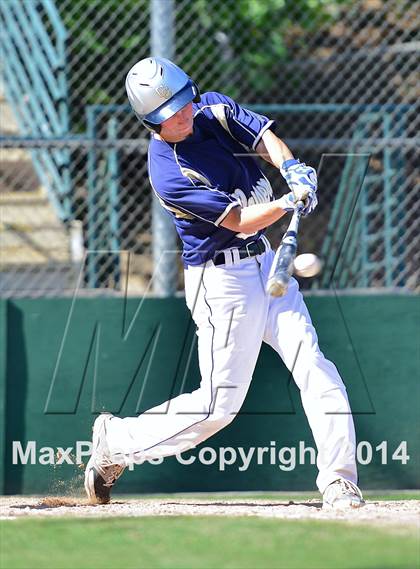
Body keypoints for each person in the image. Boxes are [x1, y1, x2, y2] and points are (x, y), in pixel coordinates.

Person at [84, 57, 364, 509]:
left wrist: (291, 168)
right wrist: (289, 201)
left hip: (268, 265)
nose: (183, 113)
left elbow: (264, 138)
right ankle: (116, 440)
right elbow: (240, 220)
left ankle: (338, 480)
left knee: (314, 365)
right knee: (218, 407)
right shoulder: (168, 172)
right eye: (170, 112)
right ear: (150, 123)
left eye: (183, 101)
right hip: (222, 284)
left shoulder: (209, 108)